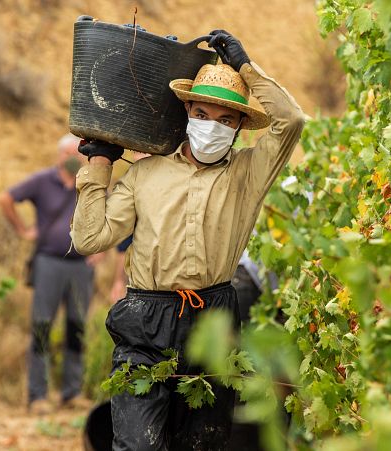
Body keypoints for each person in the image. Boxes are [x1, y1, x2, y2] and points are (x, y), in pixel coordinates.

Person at [71, 29, 304, 450]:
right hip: (146, 320)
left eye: (225, 120)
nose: (211, 127)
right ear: (187, 114)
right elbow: (90, 239)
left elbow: (292, 121)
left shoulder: (247, 174)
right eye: (201, 114)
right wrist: (100, 165)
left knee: (201, 443)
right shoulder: (145, 174)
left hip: (214, 321)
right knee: (138, 444)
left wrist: (246, 68)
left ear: (237, 129)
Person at [0, 134, 100, 414]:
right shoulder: (43, 181)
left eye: (78, 154)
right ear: (58, 155)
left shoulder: (90, 182)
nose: (73, 158)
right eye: (68, 153)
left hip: (81, 266)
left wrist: (100, 249)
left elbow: (109, 214)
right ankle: (38, 396)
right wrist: (23, 230)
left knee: (76, 328)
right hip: (49, 263)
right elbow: (5, 198)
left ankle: (72, 393)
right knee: (42, 327)